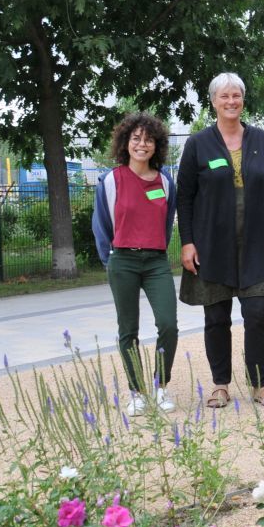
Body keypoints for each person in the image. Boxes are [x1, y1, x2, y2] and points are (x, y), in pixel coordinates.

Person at [177, 72, 264, 409]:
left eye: (236, 96)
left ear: (243, 100)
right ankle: (221, 384)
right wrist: (187, 242)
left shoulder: (261, 140)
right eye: (224, 96)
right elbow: (185, 197)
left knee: (258, 313)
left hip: (256, 243)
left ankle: (261, 385)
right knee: (216, 319)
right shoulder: (198, 143)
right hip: (212, 245)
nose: (231, 102)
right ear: (213, 101)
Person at [92, 112, 179, 416]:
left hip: (156, 262)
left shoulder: (166, 182)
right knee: (128, 329)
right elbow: (101, 225)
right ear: (125, 143)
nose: (142, 144)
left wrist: (157, 248)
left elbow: (167, 223)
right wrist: (111, 260)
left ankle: (160, 386)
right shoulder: (110, 180)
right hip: (123, 260)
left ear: (157, 145)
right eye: (136, 138)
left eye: (149, 139)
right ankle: (137, 392)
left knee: (168, 324)